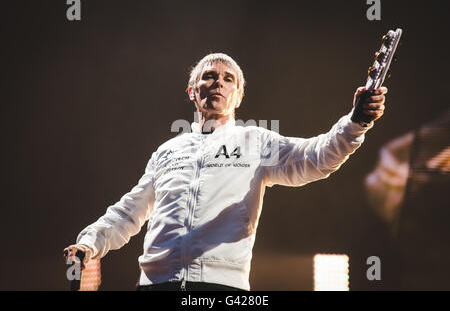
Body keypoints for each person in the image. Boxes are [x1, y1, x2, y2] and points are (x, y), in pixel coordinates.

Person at [63, 53, 387, 291]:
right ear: (192, 91)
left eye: (228, 78)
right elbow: (129, 211)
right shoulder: (167, 151)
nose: (218, 81)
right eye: (209, 76)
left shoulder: (255, 141)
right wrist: (89, 243)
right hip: (155, 284)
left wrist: (355, 122)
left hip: (223, 288)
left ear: (238, 97)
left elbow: (315, 157)